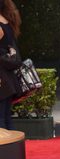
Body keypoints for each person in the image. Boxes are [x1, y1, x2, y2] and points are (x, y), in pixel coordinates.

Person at [0, 0, 21, 129]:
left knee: (1, 119)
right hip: (8, 77)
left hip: (1, 77)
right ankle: (10, 149)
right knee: (6, 117)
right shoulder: (6, 20)